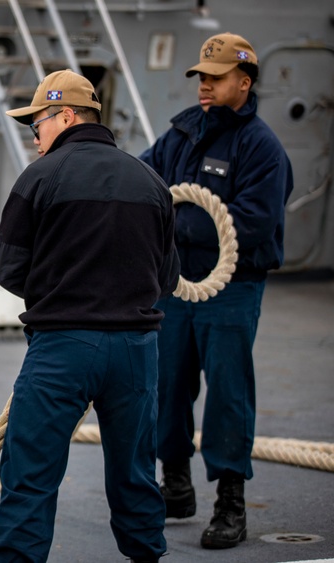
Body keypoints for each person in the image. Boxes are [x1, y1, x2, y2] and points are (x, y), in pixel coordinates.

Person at [0, 69, 180, 563]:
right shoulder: (151, 181)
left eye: (37, 126)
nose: (35, 138)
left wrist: (60, 294)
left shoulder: (40, 177)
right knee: (136, 473)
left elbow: (8, 267)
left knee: (31, 472)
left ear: (65, 116)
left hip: (63, 348)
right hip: (136, 352)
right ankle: (146, 556)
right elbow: (167, 276)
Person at [138, 32, 294, 550]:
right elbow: (146, 180)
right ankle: (176, 484)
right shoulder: (180, 135)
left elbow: (250, 222)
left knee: (228, 390)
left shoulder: (262, 149)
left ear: (243, 83)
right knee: (167, 379)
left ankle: (231, 501)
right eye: (201, 76)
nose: (204, 85)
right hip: (177, 283)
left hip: (232, 286)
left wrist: (176, 223)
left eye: (216, 77)